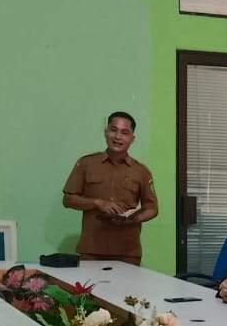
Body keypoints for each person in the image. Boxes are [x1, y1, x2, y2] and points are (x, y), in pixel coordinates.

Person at [61, 112, 159, 266]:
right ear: (105, 132)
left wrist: (132, 219)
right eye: (113, 130)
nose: (118, 137)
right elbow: (68, 199)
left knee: (128, 284)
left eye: (124, 132)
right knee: (89, 284)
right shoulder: (86, 163)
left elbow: (152, 208)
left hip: (128, 252)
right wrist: (97, 203)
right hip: (91, 250)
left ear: (132, 139)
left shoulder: (141, 171)